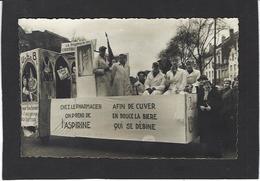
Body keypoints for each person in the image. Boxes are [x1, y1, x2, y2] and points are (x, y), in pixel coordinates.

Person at [197, 80, 222, 157]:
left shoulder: (215, 93)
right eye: (204, 86)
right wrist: (200, 106)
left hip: (213, 117)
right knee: (206, 135)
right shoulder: (201, 93)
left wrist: (211, 107)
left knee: (214, 135)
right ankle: (207, 152)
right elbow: (198, 103)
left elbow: (219, 103)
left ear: (210, 86)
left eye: (208, 86)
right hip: (204, 117)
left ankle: (216, 153)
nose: (206, 87)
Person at [220, 77, 239, 152]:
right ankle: (224, 145)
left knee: (230, 130)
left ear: (230, 84)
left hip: (229, 114)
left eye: (227, 83)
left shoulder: (232, 92)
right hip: (222, 113)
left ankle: (231, 146)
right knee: (223, 130)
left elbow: (233, 103)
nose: (225, 84)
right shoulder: (221, 91)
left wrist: (232, 114)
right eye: (225, 83)